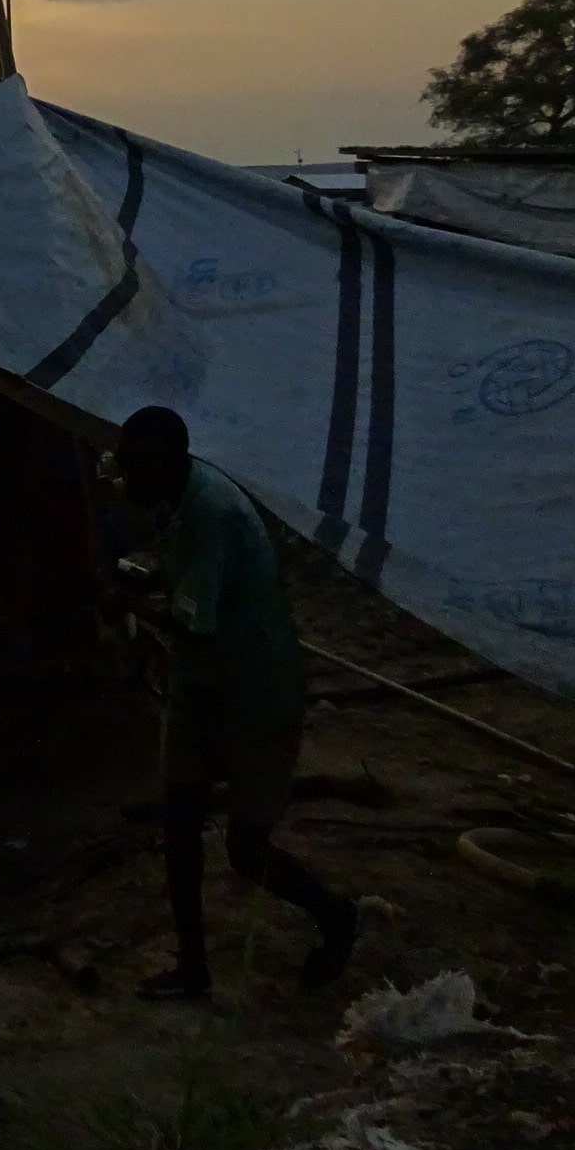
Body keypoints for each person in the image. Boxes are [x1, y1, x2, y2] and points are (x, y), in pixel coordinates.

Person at [109, 404, 358, 1000]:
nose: (126, 485)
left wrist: (124, 604)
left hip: (253, 696)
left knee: (245, 850)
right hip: (202, 689)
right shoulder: (180, 495)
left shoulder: (212, 514)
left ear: (166, 469)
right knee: (179, 827)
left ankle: (335, 914)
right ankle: (193, 970)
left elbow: (196, 623)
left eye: (133, 474)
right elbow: (193, 588)